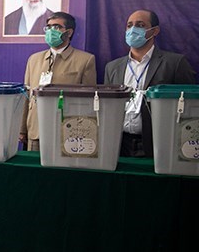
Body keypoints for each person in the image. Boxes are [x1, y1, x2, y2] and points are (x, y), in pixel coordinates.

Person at [104, 9, 196, 157]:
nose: (133, 30)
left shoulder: (175, 63)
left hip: (159, 144)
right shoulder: (113, 67)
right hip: (119, 144)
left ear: (154, 31)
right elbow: (107, 107)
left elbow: (190, 107)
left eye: (140, 25)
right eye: (129, 25)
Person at [19, 12, 97, 151]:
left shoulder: (85, 60)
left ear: (69, 32)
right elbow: (26, 96)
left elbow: (89, 101)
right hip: (35, 131)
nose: (51, 31)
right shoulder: (34, 59)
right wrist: (22, 129)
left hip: (67, 132)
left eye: (56, 27)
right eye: (48, 27)